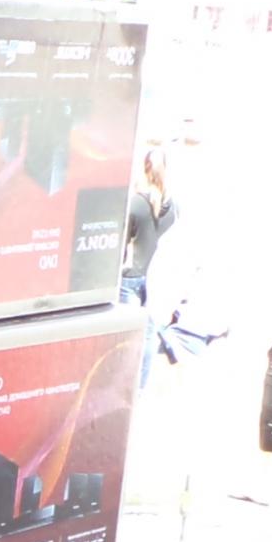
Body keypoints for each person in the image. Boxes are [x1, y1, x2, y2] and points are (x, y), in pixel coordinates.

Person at [122, 145, 175, 383]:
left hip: (131, 277)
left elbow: (122, 244)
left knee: (127, 338)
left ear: (143, 170)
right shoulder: (174, 207)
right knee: (149, 335)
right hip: (158, 277)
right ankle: (140, 387)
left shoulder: (135, 204)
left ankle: (123, 386)